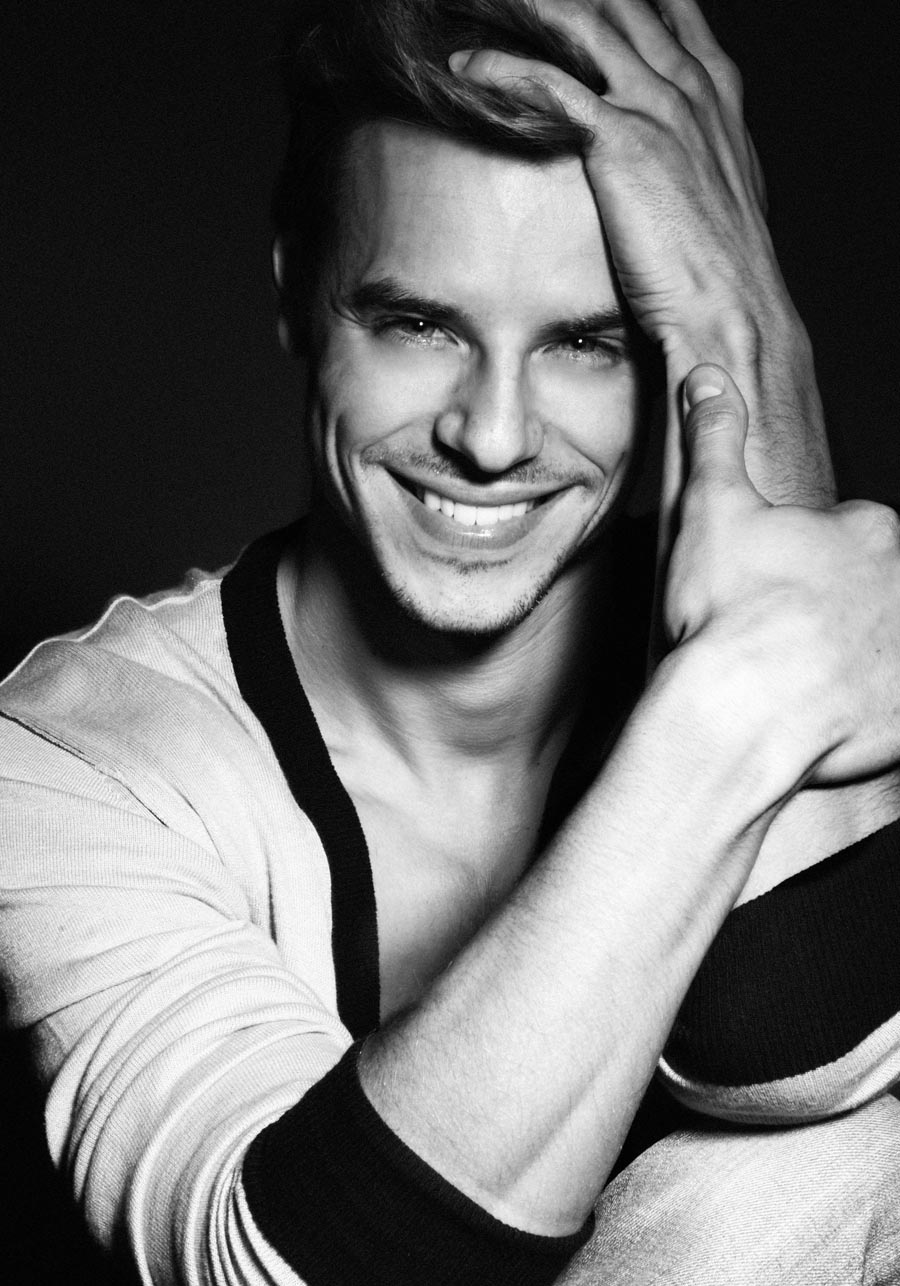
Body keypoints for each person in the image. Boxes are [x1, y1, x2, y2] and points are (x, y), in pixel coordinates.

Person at [2, 1, 900, 1282]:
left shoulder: (802, 607)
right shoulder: (65, 759)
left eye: (586, 343)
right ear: (298, 300)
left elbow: (808, 1058)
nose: (491, 435)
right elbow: (277, 1266)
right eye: (420, 324)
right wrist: (742, 703)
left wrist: (745, 324)